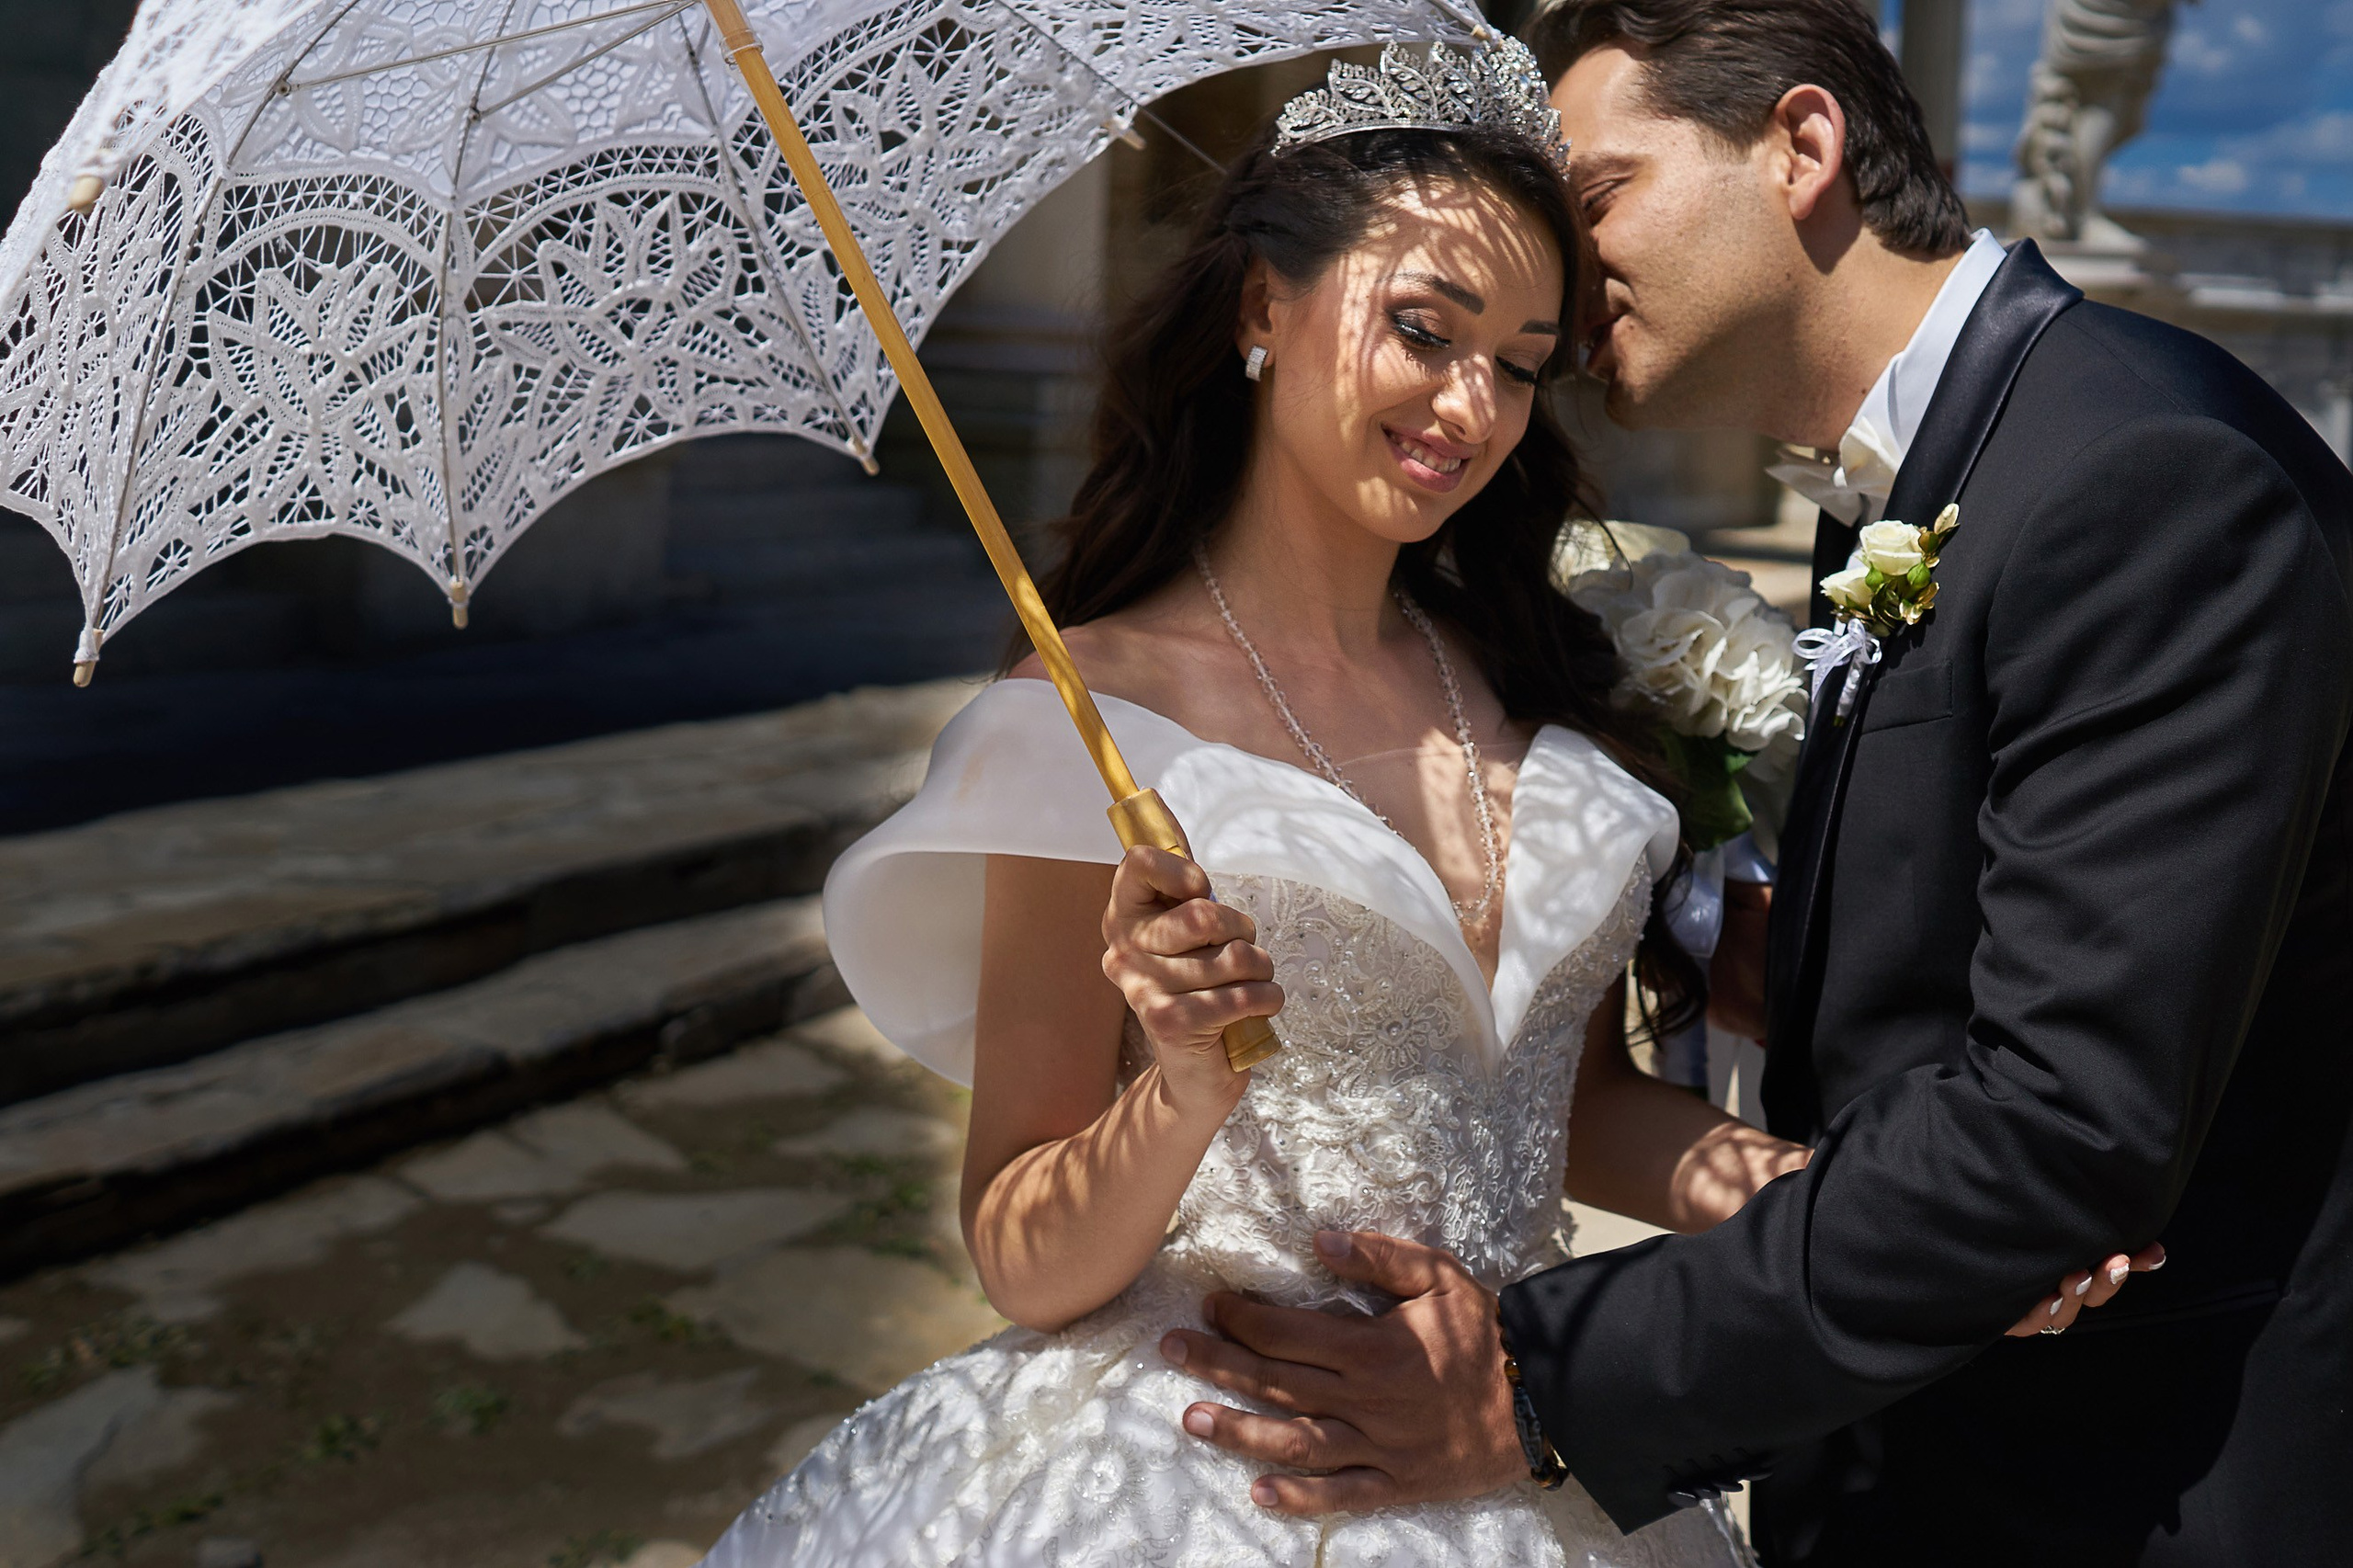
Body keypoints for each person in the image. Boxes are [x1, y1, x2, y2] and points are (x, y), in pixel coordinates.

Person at [1164, 5, 2353, 1566]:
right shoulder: (1916, 489)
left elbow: (2064, 1132)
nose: (1567, 284)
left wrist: (1527, 1379)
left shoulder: (2144, 478)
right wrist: (1811, 955)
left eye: (1597, 199)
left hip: (2124, 1477)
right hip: (1919, 1441)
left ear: (1802, 147)